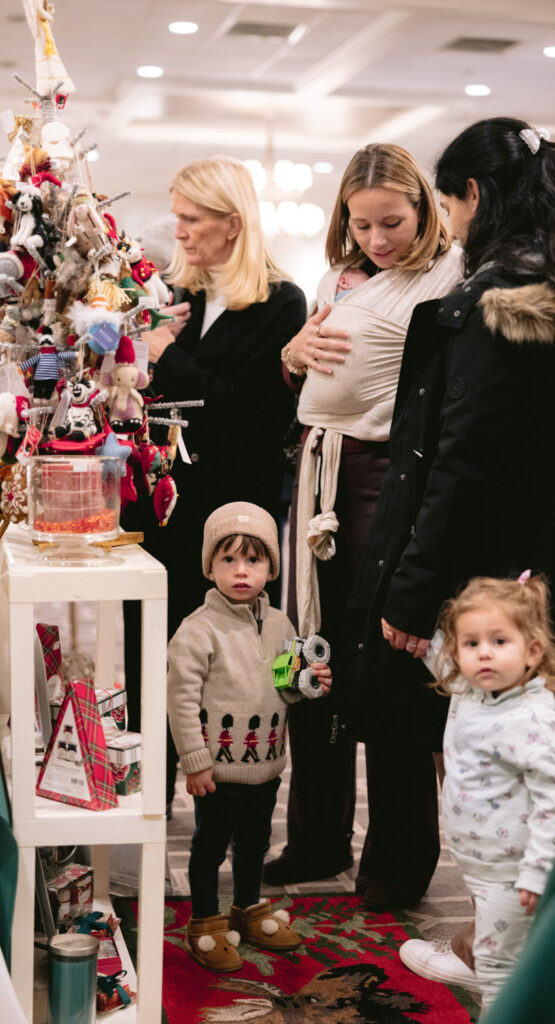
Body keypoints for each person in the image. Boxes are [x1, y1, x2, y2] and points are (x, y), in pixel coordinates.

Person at [333, 117, 555, 972]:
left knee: (493, 776)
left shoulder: (494, 304)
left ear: (471, 195)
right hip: (527, 565)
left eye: (448, 203)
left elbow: (456, 463)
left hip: (490, 580)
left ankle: (495, 959)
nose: (450, 224)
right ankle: (489, 943)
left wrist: (410, 589)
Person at [263, 143, 463, 895]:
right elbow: (309, 374)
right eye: (362, 224)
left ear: (426, 210)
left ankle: (398, 860)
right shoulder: (336, 279)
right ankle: (317, 839)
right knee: (311, 657)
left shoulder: (450, 276)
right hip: (319, 473)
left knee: (387, 662)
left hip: (387, 475)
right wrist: (292, 354)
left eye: (393, 223)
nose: (378, 239)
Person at [124, 156, 306, 809]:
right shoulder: (183, 293)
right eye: (177, 216)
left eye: (191, 218)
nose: (178, 231)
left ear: (232, 223)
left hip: (232, 512)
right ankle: (148, 798)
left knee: (228, 666)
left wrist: (168, 354)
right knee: (152, 649)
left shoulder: (282, 301)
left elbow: (249, 414)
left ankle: (228, 815)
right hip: (165, 506)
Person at [167, 502, 331, 971]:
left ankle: (246, 907)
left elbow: (285, 685)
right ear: (210, 566)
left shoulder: (280, 623)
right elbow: (179, 700)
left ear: (270, 568)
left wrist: (309, 684)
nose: (242, 571)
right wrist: (195, 761)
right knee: (209, 847)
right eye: (229, 559)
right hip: (217, 771)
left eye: (254, 560)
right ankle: (204, 921)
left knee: (255, 842)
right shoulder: (197, 630)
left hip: (267, 765)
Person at [422, 574, 555, 1011]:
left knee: (497, 968)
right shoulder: (476, 693)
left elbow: (552, 802)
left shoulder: (533, 717)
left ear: (532, 651)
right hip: (483, 866)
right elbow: (439, 658)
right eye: (471, 643)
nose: (484, 653)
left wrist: (537, 873)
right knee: (508, 960)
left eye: (499, 641)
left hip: (514, 874)